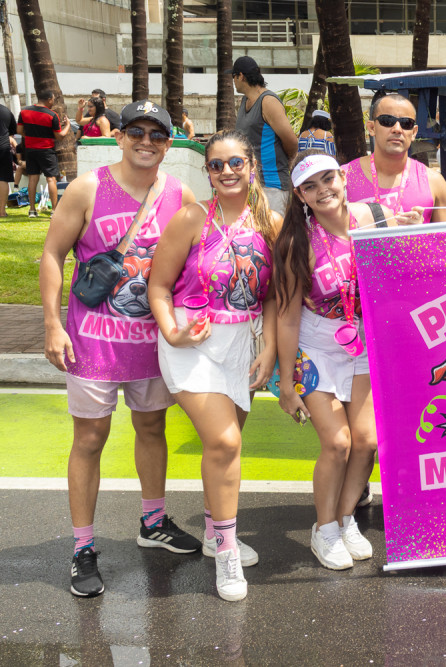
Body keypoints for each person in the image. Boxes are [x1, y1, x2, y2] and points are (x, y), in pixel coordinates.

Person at [39, 100, 200, 598]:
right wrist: (52, 324)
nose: (146, 141)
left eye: (157, 134)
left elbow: (196, 260)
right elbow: (52, 253)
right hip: (93, 343)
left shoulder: (178, 193)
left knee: (152, 428)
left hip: (152, 343)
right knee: (90, 439)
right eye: (137, 132)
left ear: (169, 143)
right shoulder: (88, 188)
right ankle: (82, 547)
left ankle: (153, 521)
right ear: (119, 135)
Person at [148, 129, 282, 601]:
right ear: (207, 171)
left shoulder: (270, 223)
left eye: (235, 162)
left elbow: (274, 295)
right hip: (192, 344)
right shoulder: (190, 218)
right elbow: (159, 287)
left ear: (251, 166)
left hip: (243, 344)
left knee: (222, 449)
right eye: (216, 164)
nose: (227, 171)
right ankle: (226, 553)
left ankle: (212, 532)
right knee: (225, 442)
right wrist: (173, 332)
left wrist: (269, 348)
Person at [273, 151, 421, 570]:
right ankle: (324, 529)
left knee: (367, 441)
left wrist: (409, 234)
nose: (323, 191)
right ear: (300, 195)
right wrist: (285, 384)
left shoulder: (376, 216)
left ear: (342, 176)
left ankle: (345, 517)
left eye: (327, 179)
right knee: (337, 443)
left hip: (363, 343)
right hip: (315, 346)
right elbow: (286, 317)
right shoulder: (296, 241)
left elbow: (403, 274)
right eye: (310, 186)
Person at [342, 93, 446, 223]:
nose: (397, 129)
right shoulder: (342, 178)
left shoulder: (434, 181)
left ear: (414, 132)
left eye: (406, 123)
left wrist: (421, 232)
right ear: (371, 128)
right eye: (387, 121)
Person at [230, 55, 298, 214]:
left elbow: (291, 142)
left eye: (233, 76)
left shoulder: (268, 101)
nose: (233, 81)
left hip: (272, 185)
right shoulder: (244, 101)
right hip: (250, 184)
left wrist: (285, 161)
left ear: (241, 76)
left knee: (273, 229)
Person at [17, 89, 72, 217]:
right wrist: (68, 125)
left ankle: (32, 210)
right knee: (51, 179)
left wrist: (30, 137)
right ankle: (54, 211)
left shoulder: (24, 111)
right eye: (53, 99)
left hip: (30, 150)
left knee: (32, 179)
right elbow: (60, 136)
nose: (53, 102)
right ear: (49, 99)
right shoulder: (52, 115)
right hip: (47, 150)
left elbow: (19, 130)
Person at [0, 102, 15, 217]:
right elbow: (12, 131)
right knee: (3, 179)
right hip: (3, 147)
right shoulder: (6, 111)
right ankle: (1, 211)